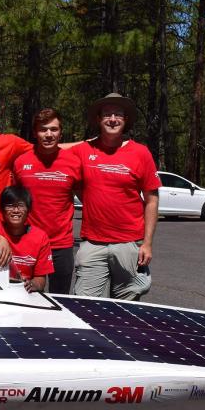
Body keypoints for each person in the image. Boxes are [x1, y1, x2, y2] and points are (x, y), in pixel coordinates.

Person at [72, 93, 161, 300]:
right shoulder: (84, 150)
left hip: (129, 243)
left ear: (125, 119)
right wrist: (90, 200)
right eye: (107, 114)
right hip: (93, 243)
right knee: (86, 304)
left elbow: (152, 200)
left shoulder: (141, 153)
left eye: (118, 114)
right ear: (98, 119)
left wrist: (147, 243)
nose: (112, 119)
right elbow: (54, 149)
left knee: (126, 305)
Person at [12, 108, 81, 294]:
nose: (49, 134)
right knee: (27, 297)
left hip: (61, 245)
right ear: (35, 133)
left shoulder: (74, 162)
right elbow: (13, 202)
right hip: (29, 241)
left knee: (60, 299)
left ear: (61, 132)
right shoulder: (21, 162)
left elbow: (88, 200)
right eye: (43, 129)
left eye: (54, 129)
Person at [0, 186, 54, 293]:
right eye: (10, 206)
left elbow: (41, 279)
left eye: (21, 206)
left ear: (29, 210)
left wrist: (32, 284)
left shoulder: (40, 237)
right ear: (1, 209)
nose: (16, 210)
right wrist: (0, 238)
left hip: (24, 292)